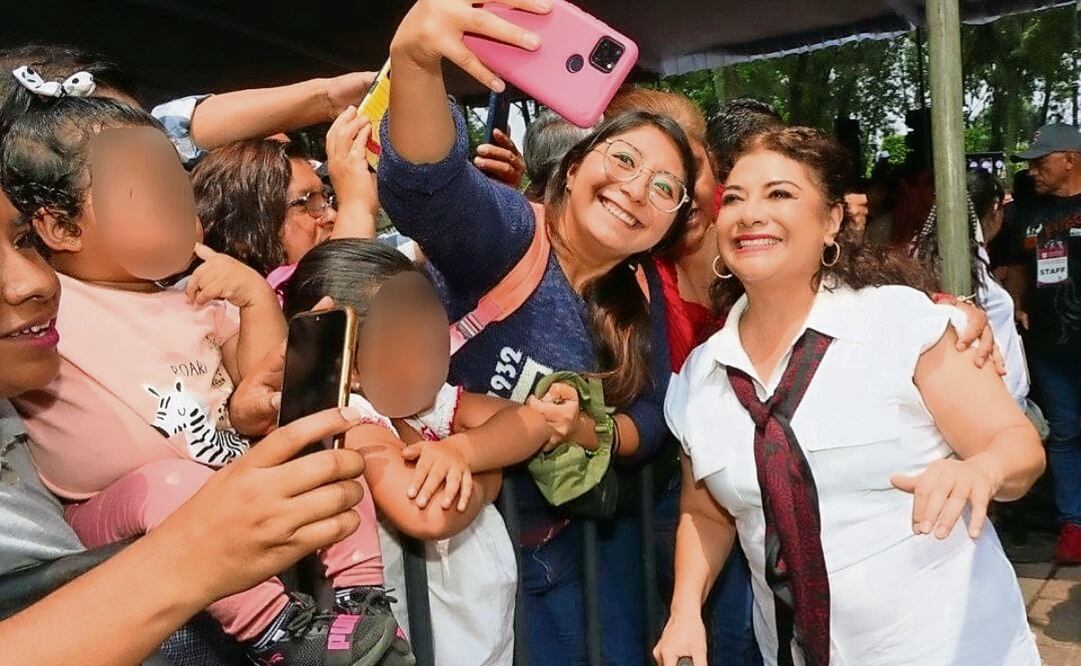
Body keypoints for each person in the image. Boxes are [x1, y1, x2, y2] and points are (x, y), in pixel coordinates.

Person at [0, 70, 407, 665]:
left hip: (220, 492)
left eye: (178, 189)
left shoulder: (198, 294)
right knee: (172, 486)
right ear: (60, 228)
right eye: (151, 192)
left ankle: (363, 599)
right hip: (118, 520)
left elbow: (254, 378)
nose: (180, 209)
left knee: (317, 450)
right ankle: (279, 632)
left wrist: (256, 301)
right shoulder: (52, 298)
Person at [655, 126, 1044, 666]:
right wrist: (685, 611)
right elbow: (707, 514)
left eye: (780, 194)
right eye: (735, 199)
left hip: (952, 648)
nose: (750, 214)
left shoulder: (903, 323)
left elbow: (1018, 445)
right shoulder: (702, 374)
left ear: (831, 220)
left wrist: (982, 470)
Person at [379, 2, 696, 662]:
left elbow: (650, 422)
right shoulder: (509, 233)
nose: (638, 190)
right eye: (625, 160)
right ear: (575, 166)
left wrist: (582, 425)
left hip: (552, 556)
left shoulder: (636, 296)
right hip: (431, 549)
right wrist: (414, 64)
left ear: (671, 223)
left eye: (665, 187)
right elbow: (427, 188)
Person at [283, 237, 572, 665]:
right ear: (351, 361)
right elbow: (429, 512)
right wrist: (489, 475)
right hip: (426, 641)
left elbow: (528, 420)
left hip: (483, 631)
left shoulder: (432, 405)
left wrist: (466, 452)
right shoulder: (357, 428)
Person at [998, 122, 1081, 564]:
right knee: (1065, 434)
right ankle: (1073, 527)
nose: (1032, 171)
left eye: (1041, 161)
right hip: (1051, 346)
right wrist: (1016, 303)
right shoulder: (1030, 215)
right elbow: (1018, 266)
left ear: (1070, 158)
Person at [193, 107, 380, 294]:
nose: (333, 215)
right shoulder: (255, 308)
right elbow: (336, 304)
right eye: (308, 203)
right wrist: (357, 206)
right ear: (243, 235)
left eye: (326, 199)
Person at [908, 170, 1031, 408]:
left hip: (992, 398)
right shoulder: (963, 260)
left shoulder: (932, 253)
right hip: (991, 404)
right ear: (996, 208)